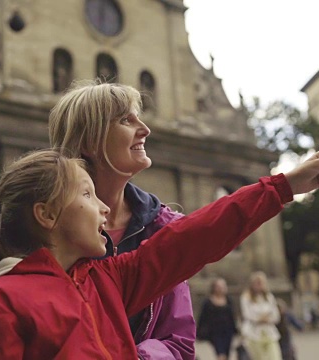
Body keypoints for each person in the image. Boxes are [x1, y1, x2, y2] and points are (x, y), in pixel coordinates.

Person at [0, 136, 319, 359]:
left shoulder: (108, 278)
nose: (104, 206)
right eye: (88, 195)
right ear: (47, 215)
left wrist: (284, 187)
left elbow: (195, 237)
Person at [47, 80, 195, 359]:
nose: (146, 129)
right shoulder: (45, 226)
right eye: (126, 120)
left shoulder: (163, 227)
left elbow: (179, 342)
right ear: (91, 142)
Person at [240, 271, 282, 360]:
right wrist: (260, 318)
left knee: (275, 356)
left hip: (269, 331)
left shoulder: (269, 297)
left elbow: (275, 315)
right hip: (254, 334)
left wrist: (266, 319)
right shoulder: (246, 297)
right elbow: (247, 314)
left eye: (261, 283)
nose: (260, 285)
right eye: (257, 283)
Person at [197, 278, 238, 360]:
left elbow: (232, 317)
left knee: (226, 354)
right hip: (214, 332)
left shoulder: (229, 300)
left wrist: (235, 330)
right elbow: (202, 317)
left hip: (227, 332)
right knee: (220, 354)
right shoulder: (208, 302)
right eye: (218, 286)